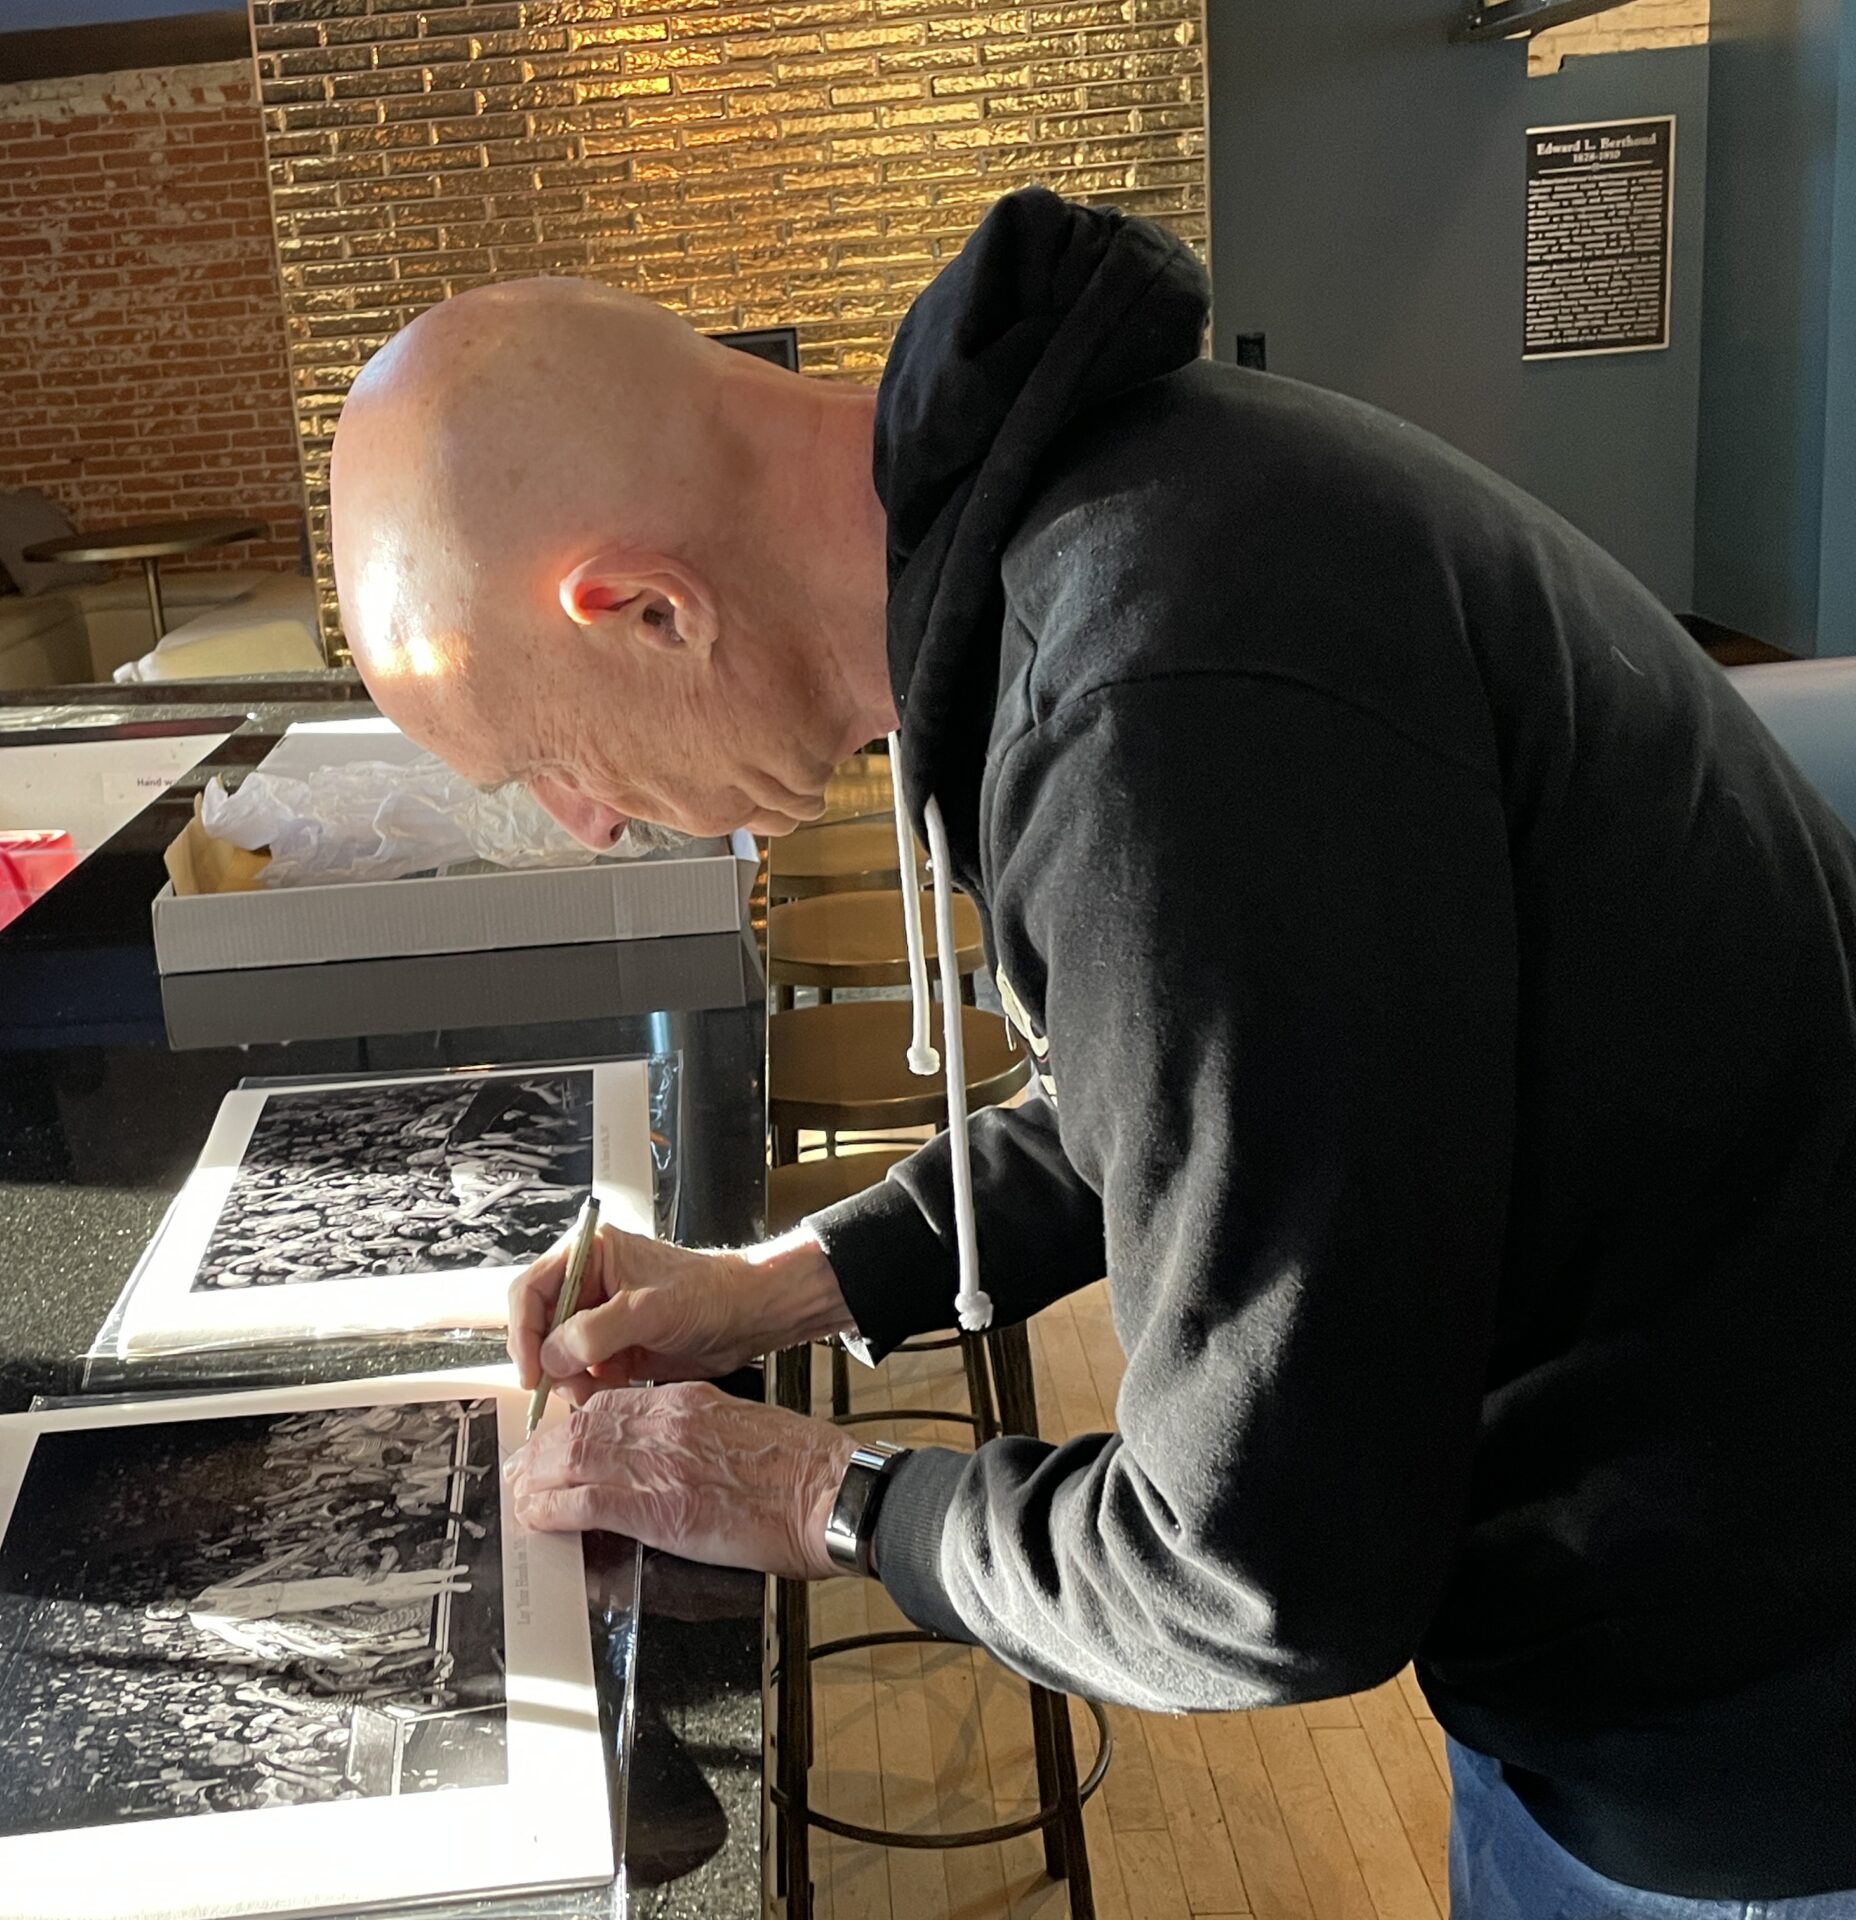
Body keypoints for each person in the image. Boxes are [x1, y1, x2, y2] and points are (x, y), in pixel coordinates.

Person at [325, 188, 1856, 1911]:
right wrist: (784, 1282)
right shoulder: (1120, 522)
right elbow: (1192, 1087)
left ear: (643, 609)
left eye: (543, 758)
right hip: (1658, 1636)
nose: (590, 822)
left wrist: (820, 1494)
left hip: (1752, 1732)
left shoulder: (1159, 695)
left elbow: (1255, 1581)